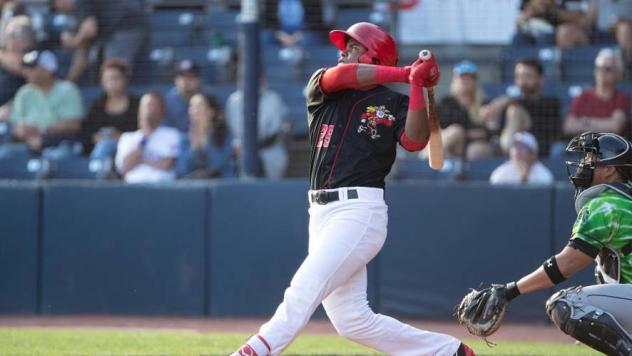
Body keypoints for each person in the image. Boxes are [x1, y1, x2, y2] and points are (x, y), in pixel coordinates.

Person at [230, 22, 475, 356]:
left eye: (353, 46)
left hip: (359, 211)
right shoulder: (324, 84)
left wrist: (418, 86)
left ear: (374, 54)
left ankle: (252, 352)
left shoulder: (393, 102)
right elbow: (340, 77)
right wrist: (407, 73)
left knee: (303, 290)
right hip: (320, 212)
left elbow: (416, 141)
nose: (343, 51)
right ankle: (450, 352)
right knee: (352, 320)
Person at [464, 131, 632, 355]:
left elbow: (567, 264)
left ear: (610, 169)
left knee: (567, 303)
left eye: (591, 159)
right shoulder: (623, 201)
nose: (584, 164)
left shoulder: (606, 204)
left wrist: (510, 291)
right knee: (602, 278)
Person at [480, 57, 561, 157]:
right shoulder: (508, 104)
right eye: (519, 76)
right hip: (505, 151)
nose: (523, 81)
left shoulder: (550, 103)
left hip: (538, 151)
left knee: (515, 111)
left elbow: (531, 104)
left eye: (528, 76)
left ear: (540, 79)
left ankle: (509, 149)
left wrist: (505, 101)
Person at [52, 0, 147, 82]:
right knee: (103, 69)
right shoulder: (80, 14)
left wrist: (73, 42)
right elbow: (82, 50)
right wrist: (69, 81)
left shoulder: (80, 3)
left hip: (126, 27)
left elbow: (90, 30)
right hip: (115, 30)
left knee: (113, 71)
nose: (58, 9)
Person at [10, 49, 83, 152]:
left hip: (59, 141)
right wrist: (21, 130)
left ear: (48, 69)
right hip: (27, 141)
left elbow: (74, 125)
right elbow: (16, 124)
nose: (27, 72)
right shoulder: (24, 92)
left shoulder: (67, 89)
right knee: (6, 153)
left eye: (32, 68)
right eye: (26, 68)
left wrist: (41, 130)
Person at [225, 75, 289, 179]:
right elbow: (235, 129)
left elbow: (274, 132)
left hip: (269, 149)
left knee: (276, 163)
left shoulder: (273, 98)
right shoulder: (233, 100)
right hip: (243, 148)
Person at [563, 48, 631, 139]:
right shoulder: (583, 96)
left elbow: (615, 126)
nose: (602, 72)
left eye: (607, 69)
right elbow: (569, 126)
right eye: (599, 68)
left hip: (609, 146)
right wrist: (605, 124)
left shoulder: (621, 98)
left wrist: (585, 121)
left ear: (617, 73)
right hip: (584, 146)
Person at [80, 58, 139, 159]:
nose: (112, 83)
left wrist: (122, 137)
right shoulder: (97, 104)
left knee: (105, 146)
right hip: (98, 147)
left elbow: (142, 131)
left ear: (125, 79)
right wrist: (95, 137)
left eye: (116, 78)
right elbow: (86, 131)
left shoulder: (137, 103)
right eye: (107, 79)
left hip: (129, 150)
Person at [115, 92, 180, 183]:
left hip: (162, 187)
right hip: (133, 188)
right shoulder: (127, 137)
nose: (150, 110)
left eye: (154, 105)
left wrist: (140, 160)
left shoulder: (172, 134)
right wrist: (145, 138)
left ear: (162, 110)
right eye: (147, 106)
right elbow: (124, 166)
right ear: (139, 110)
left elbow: (166, 164)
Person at [436, 60, 493, 160]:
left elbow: (488, 132)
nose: (465, 81)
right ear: (454, 80)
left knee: (475, 150)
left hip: (475, 146)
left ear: (475, 82)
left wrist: (463, 134)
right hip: (448, 146)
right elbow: (438, 130)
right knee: (455, 132)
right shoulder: (446, 102)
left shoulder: (485, 104)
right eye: (462, 77)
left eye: (469, 78)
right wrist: (465, 133)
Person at [177, 93, 236, 179]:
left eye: (200, 105)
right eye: (192, 106)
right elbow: (183, 170)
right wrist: (195, 147)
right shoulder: (185, 138)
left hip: (222, 185)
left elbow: (217, 165)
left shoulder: (224, 134)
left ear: (211, 112)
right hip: (194, 187)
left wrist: (205, 140)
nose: (195, 110)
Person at [165, 59, 215, 133]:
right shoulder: (169, 100)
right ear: (175, 80)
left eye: (191, 76)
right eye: (183, 76)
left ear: (199, 80)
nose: (187, 80)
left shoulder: (209, 97)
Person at [513, 0, 590, 48]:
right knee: (519, 38)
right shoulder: (528, 6)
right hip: (534, 36)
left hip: (558, 37)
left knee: (546, 38)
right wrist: (530, 12)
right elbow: (518, 22)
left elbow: (582, 19)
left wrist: (552, 10)